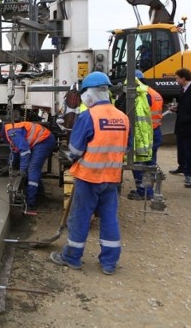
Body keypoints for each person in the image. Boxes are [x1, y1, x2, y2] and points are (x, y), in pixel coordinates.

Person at [49, 71, 130, 275]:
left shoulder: (89, 116)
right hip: (112, 177)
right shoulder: (123, 117)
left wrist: (71, 156)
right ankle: (109, 263)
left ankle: (72, 257)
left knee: (80, 217)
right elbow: (126, 148)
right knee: (109, 218)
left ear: (88, 95)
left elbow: (75, 150)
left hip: (89, 177)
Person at [0, 116, 56, 208]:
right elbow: (15, 150)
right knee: (32, 169)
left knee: (32, 169)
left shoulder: (12, 133)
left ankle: (30, 203)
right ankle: (39, 194)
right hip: (40, 141)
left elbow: (24, 151)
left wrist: (22, 170)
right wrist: (9, 165)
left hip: (44, 140)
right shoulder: (7, 133)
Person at [127, 70, 158, 200]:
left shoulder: (141, 93)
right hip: (153, 132)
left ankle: (144, 192)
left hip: (143, 134)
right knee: (149, 164)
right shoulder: (152, 91)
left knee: (140, 163)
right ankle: (149, 191)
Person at [169, 68, 191, 187]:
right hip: (181, 124)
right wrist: (177, 109)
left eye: (177, 78)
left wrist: (187, 118)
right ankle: (182, 166)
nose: (176, 80)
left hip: (189, 126)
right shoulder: (183, 90)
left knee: (188, 150)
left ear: (183, 78)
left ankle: (188, 173)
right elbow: (184, 106)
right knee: (181, 148)